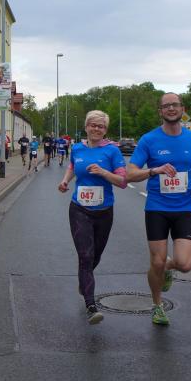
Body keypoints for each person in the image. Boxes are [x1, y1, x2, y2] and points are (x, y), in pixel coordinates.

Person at [126, 93, 191, 326]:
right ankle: (157, 305)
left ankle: (168, 268)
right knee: (157, 262)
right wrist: (154, 170)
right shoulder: (149, 140)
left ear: (182, 108)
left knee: (185, 264)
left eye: (175, 105)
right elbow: (130, 173)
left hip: (184, 208)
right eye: (166, 106)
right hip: (157, 209)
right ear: (160, 111)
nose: (171, 108)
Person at [58, 111, 127, 324]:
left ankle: (84, 278)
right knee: (85, 256)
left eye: (101, 126)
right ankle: (91, 305)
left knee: (95, 255)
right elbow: (72, 166)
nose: (96, 129)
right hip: (79, 209)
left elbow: (123, 182)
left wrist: (103, 172)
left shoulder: (112, 151)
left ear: (105, 130)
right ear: (86, 127)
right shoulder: (77, 148)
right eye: (93, 125)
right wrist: (65, 181)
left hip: (104, 211)